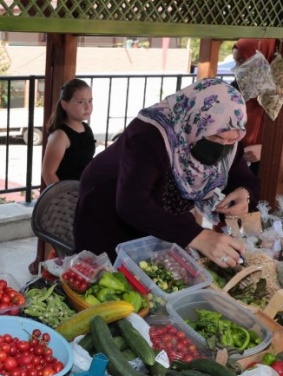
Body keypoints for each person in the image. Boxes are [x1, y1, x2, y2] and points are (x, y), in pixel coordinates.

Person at [73, 78, 259, 267]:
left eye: (231, 140)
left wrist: (245, 193)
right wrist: (199, 236)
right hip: (108, 202)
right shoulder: (149, 134)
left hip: (161, 213)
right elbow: (132, 204)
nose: (223, 146)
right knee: (109, 276)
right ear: (195, 120)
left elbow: (244, 178)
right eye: (216, 136)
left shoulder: (228, 131)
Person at [231, 38, 278, 176]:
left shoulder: (278, 93)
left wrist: (267, 150)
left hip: (273, 169)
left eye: (242, 61)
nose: (239, 68)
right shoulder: (235, 88)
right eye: (236, 62)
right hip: (240, 163)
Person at [41, 78, 96, 185]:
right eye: (81, 102)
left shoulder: (86, 128)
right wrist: (64, 197)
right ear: (65, 105)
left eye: (90, 101)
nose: (88, 107)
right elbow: (48, 173)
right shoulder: (60, 135)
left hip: (83, 190)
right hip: (67, 195)